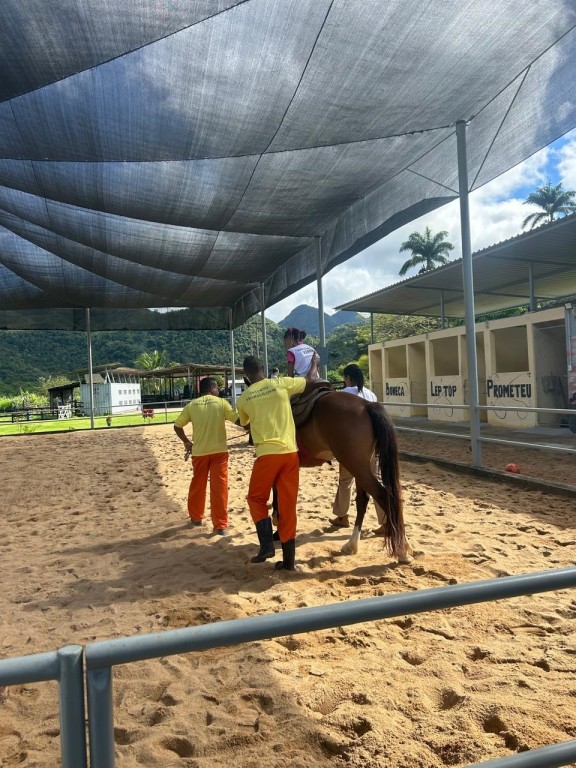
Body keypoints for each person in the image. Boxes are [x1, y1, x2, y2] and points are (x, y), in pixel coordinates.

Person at [236, 354, 322, 570]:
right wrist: (314, 363)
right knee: (287, 506)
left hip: (267, 455)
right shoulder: (281, 383)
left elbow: (245, 424)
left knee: (256, 499)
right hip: (290, 453)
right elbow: (310, 380)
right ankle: (289, 562)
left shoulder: (244, 399)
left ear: (245, 374)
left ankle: (266, 545)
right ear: (264, 368)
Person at [173, 377, 238, 535]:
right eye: (217, 388)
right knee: (219, 489)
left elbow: (177, 426)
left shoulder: (192, 405)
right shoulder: (221, 403)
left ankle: (196, 518)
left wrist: (187, 442)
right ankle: (220, 526)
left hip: (199, 453)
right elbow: (238, 420)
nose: (218, 391)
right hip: (219, 453)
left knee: (198, 485)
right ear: (213, 389)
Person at [329, 363, 386, 535]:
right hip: (372, 444)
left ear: (347, 378)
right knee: (374, 480)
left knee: (345, 480)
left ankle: (342, 516)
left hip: (350, 446)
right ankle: (385, 520)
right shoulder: (370, 394)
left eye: (344, 378)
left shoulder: (344, 395)